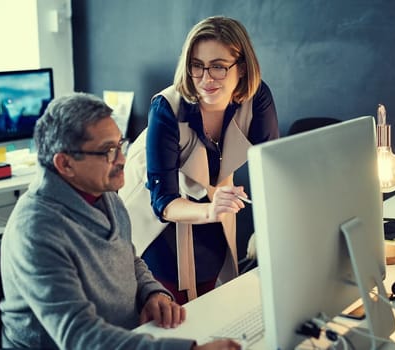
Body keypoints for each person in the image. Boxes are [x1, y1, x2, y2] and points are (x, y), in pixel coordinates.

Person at [0, 93, 240, 350]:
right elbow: (80, 337)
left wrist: (152, 292)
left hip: (121, 337)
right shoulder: (36, 230)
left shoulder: (105, 195)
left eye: (120, 145)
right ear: (65, 163)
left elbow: (128, 256)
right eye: (108, 151)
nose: (122, 159)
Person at [120, 16, 279, 304]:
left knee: (215, 284)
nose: (206, 79)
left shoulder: (257, 97)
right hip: (153, 209)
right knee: (171, 299)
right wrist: (210, 211)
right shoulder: (166, 108)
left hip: (210, 197)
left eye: (219, 66)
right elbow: (163, 203)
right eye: (197, 65)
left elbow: (273, 168)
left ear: (241, 68)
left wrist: (271, 228)